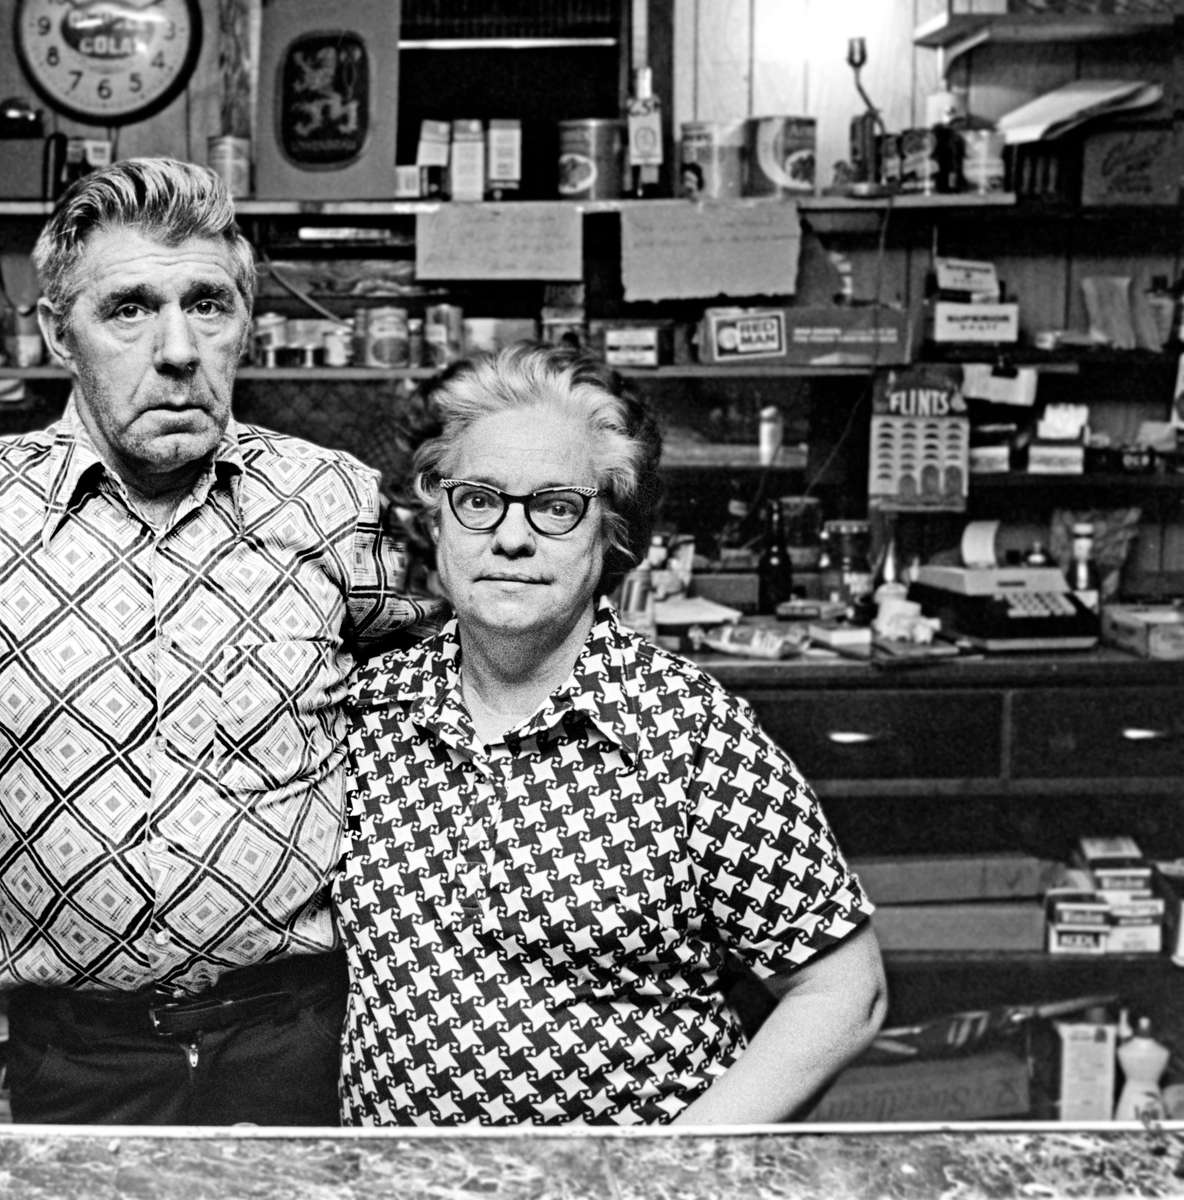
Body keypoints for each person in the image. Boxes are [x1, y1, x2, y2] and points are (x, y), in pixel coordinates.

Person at [0, 157, 438, 1126]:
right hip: (79, 1061)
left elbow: (433, 745)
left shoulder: (337, 502)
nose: (179, 348)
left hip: (302, 1043)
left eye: (210, 305)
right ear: (60, 332)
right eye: (131, 310)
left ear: (247, 323)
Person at [334, 342, 886, 1126]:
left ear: (610, 532)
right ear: (438, 517)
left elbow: (843, 991)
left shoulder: (691, 733)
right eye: (480, 499)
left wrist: (669, 1170)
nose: (512, 538)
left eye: (556, 506)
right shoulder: (372, 712)